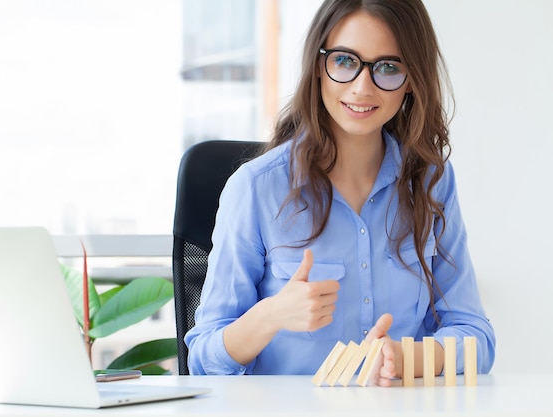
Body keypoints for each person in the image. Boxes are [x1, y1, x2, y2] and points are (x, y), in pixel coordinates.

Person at [184, 0, 495, 386]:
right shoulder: (255, 188)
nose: (363, 88)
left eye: (388, 67)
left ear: (412, 79)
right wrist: (271, 315)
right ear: (319, 66)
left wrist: (405, 358)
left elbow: (475, 336)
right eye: (345, 61)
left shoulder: (432, 182)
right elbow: (202, 359)